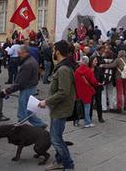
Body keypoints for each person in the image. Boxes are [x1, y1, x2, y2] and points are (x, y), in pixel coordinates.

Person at [38, 40, 75, 171]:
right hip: (58, 108)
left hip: (61, 109)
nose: (53, 52)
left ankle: (68, 165)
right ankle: (59, 161)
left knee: (56, 139)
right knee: (57, 136)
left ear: (58, 52)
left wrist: (46, 101)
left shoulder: (64, 69)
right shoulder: (62, 66)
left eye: (54, 50)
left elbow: (63, 92)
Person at [3, 45, 47, 128]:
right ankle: (40, 125)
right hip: (31, 87)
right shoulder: (31, 60)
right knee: (29, 110)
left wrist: (8, 90)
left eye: (19, 53)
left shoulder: (27, 64)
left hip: (27, 89)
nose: (18, 55)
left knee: (23, 110)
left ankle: (20, 126)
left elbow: (20, 83)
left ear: (24, 53)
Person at [74, 56, 98, 127]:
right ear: (87, 62)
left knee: (78, 107)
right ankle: (87, 122)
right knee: (87, 107)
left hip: (78, 90)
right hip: (87, 91)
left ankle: (76, 121)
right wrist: (97, 84)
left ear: (81, 61)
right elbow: (93, 81)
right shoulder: (89, 71)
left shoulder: (77, 71)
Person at [101, 48, 116, 112]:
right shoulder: (113, 62)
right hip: (111, 78)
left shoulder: (102, 61)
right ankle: (111, 107)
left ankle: (104, 108)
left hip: (103, 79)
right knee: (110, 93)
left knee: (103, 93)